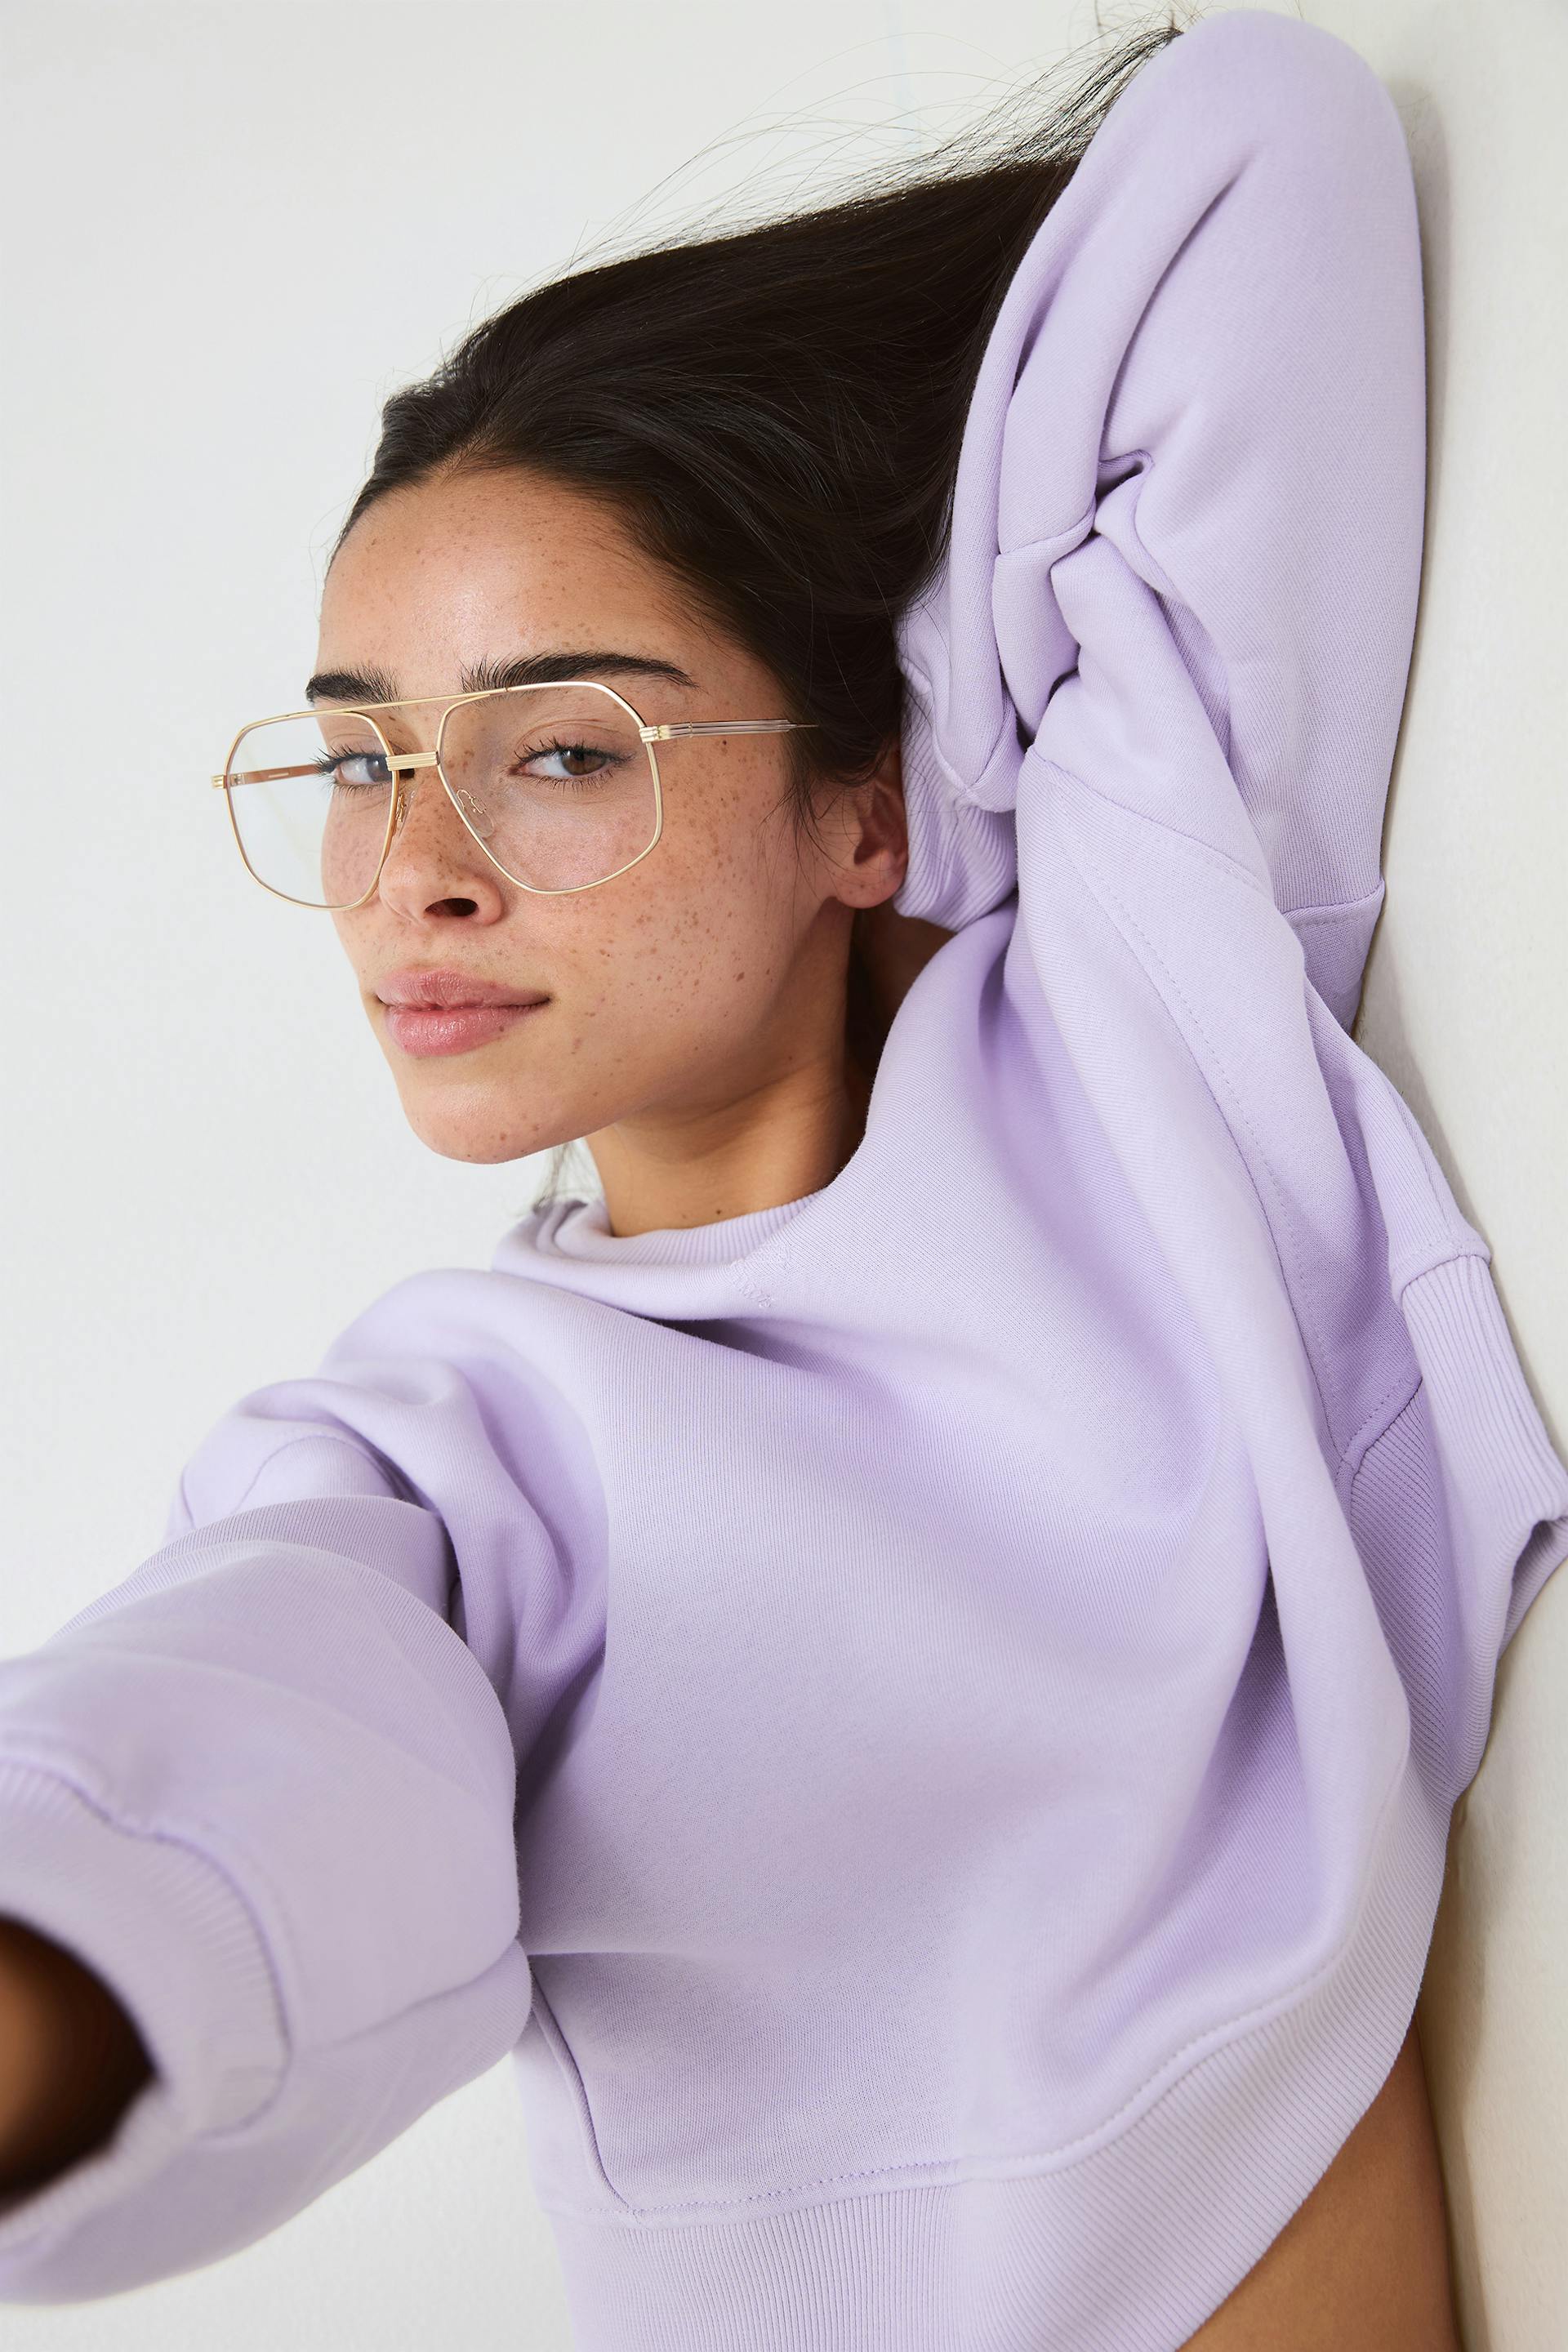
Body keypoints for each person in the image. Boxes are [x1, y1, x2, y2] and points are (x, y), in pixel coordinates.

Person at [2, 6, 1564, 2345]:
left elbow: (1264, 145)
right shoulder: (459, 1444)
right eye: (357, 762)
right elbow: (256, 1717)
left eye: (562, 747)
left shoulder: (1128, 1054)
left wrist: (923, 819)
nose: (413, 868)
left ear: (866, 796)